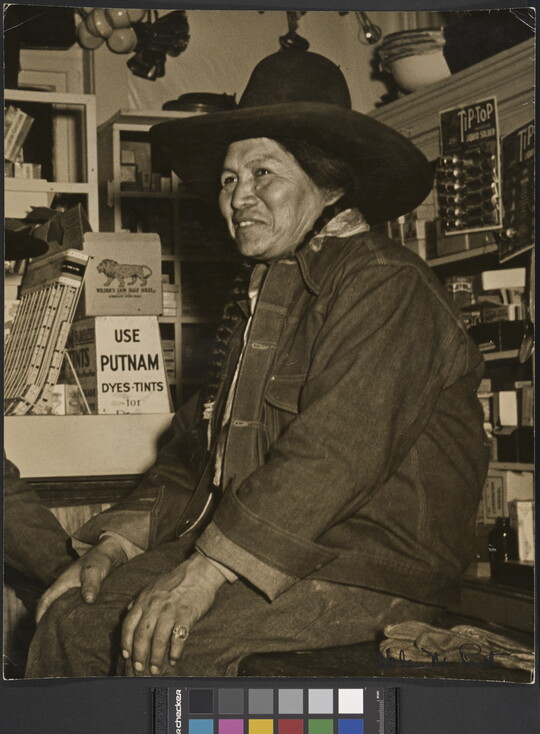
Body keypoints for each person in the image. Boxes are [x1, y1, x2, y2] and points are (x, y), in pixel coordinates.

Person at [25, 49, 489, 679]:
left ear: (332, 183)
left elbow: (333, 454)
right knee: (69, 619)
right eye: (228, 179)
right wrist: (115, 544)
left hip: (367, 570)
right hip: (277, 553)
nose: (238, 196)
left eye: (262, 172)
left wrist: (204, 573)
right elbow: (195, 454)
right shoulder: (266, 295)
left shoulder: (386, 286)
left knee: (157, 648)